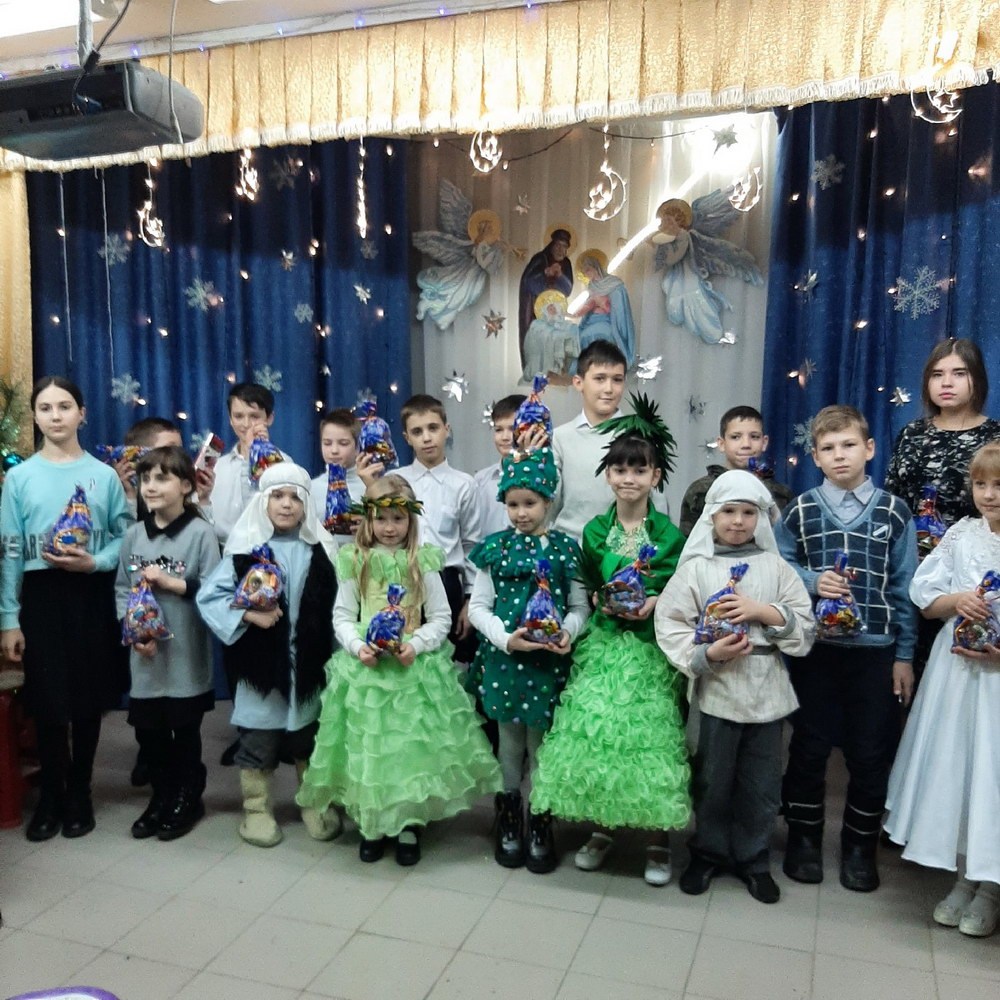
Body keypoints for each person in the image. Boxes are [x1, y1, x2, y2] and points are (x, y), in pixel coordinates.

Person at [296, 474, 501, 865]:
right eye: (381, 519)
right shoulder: (355, 561)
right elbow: (342, 616)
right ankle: (373, 823)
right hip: (368, 674)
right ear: (368, 519)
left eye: (398, 519)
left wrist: (416, 644)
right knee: (372, 749)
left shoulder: (421, 560)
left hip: (412, 672)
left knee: (408, 751)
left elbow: (440, 618)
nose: (390, 528)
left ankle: (407, 821)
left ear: (411, 520)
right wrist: (357, 646)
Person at [531, 404, 690, 886]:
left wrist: (656, 600)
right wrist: (601, 597)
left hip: (648, 649)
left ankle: (657, 838)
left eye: (639, 470)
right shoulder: (596, 531)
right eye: (620, 469)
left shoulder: (668, 535)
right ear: (607, 475)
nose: (628, 478)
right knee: (601, 738)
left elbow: (678, 587)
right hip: (603, 645)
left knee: (647, 742)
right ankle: (603, 828)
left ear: (655, 476)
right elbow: (589, 585)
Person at [776, 405, 918, 892]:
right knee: (809, 745)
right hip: (817, 650)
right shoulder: (800, 510)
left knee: (869, 751)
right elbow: (780, 566)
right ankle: (803, 839)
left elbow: (904, 588)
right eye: (829, 448)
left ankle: (859, 847)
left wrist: (904, 656)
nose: (840, 456)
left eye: (849, 445)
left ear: (869, 449)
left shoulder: (895, 512)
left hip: (875, 651)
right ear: (815, 457)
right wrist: (814, 580)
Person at [656, 471, 815, 902]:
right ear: (712, 516)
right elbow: (670, 623)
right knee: (712, 779)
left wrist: (764, 612)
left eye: (748, 512)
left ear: (760, 518)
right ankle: (707, 852)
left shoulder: (776, 568)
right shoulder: (697, 569)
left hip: (766, 691)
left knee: (760, 783)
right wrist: (706, 654)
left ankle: (754, 857)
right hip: (718, 690)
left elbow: (805, 627)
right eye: (729, 511)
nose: (738, 521)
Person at [0, 376, 131, 841]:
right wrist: (9, 618)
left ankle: (80, 791)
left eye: (64, 406)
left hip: (90, 593)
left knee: (87, 698)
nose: (55, 416)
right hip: (40, 596)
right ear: (35, 417)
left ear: (82, 414)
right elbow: (10, 549)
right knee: (48, 699)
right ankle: (51, 795)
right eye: (45, 408)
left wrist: (95, 561)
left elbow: (124, 538)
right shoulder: (20, 478)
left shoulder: (103, 476)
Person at [884, 442, 1000, 938]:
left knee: (992, 774)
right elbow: (926, 598)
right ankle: (963, 877)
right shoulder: (962, 534)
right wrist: (958, 600)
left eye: (999, 485)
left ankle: (991, 888)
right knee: (960, 769)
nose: (989, 494)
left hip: (996, 678)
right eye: (981, 484)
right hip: (957, 675)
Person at [197, 463, 340, 848]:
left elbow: (340, 609)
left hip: (310, 668)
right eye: (277, 495)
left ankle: (314, 802)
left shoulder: (322, 552)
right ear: (263, 501)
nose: (286, 504)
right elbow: (210, 598)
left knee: (310, 740)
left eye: (295, 497)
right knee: (259, 741)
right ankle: (257, 809)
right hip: (260, 671)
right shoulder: (244, 552)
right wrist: (248, 614)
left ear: (307, 504)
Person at [467, 446, 589, 873]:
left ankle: (540, 818)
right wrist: (506, 640)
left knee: (541, 745)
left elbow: (580, 606)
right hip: (506, 663)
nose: (521, 513)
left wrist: (567, 633)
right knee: (509, 743)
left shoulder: (566, 550)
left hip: (547, 665)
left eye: (530, 503)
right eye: (513, 504)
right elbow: (478, 607)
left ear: (548, 501)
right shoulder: (495, 549)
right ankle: (508, 816)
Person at [115, 446, 220, 841]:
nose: (151, 486)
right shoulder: (134, 535)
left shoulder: (200, 533)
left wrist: (174, 583)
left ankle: (188, 796)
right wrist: (134, 632)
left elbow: (214, 588)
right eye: (145, 479)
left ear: (187, 486)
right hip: (146, 660)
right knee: (150, 734)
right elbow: (123, 589)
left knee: (184, 731)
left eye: (162, 478)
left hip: (185, 658)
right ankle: (161, 796)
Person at [885, 338, 1000, 683]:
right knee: (908, 677)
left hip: (970, 579)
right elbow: (893, 504)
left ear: (977, 378)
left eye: (958, 373)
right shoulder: (911, 434)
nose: (946, 383)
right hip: (911, 572)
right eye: (937, 374)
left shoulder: (995, 437)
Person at [550, 340, 667, 541]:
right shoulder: (560, 438)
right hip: (571, 547)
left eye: (617, 380)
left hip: (625, 548)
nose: (609, 388)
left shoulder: (640, 435)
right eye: (600, 379)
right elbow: (549, 504)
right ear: (578, 382)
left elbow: (657, 500)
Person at [397, 394, 482, 663]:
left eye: (433, 428)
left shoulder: (464, 484)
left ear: (447, 429)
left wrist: (470, 600)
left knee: (446, 662)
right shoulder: (395, 481)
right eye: (417, 431)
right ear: (407, 437)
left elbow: (471, 545)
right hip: (400, 581)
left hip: (446, 583)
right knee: (403, 657)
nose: (426, 438)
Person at [680, 406, 793, 536]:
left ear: (764, 442)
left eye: (754, 437)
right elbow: (688, 541)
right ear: (721, 444)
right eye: (735, 437)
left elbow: (787, 542)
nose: (746, 444)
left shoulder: (780, 494)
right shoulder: (700, 491)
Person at [207, 382, 294, 544]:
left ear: (269, 418)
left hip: (266, 549)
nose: (246, 424)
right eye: (238, 416)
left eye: (254, 416)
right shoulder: (218, 466)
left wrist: (256, 454)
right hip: (221, 550)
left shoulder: (284, 464)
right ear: (230, 419)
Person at [308, 407, 381, 523]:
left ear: (357, 447)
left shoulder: (372, 486)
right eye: (327, 443)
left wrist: (368, 526)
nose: (334, 450)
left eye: (343, 443)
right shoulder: (310, 489)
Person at [518, 227, 574, 367]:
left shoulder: (566, 263)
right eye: (558, 245)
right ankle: (535, 370)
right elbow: (527, 281)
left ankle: (551, 370)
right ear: (552, 245)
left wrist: (560, 275)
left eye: (564, 247)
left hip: (555, 314)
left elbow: (567, 290)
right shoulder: (540, 259)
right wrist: (545, 272)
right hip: (535, 312)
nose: (561, 250)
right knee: (536, 344)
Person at [571, 251, 637, 368]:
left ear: (596, 267)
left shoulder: (614, 284)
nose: (587, 274)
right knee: (583, 335)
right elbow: (588, 305)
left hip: (608, 320)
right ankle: (588, 368)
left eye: (588, 270)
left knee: (602, 333)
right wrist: (575, 314)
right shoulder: (592, 286)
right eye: (584, 272)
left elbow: (619, 309)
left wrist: (602, 304)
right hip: (592, 319)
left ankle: (605, 366)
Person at [473, 394, 527, 539]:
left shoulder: (542, 478)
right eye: (498, 430)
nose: (505, 437)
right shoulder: (480, 480)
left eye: (512, 429)